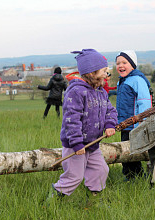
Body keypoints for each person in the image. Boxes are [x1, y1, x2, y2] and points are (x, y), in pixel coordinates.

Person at [50, 49, 118, 201]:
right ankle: (53, 200)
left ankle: (93, 201)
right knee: (74, 176)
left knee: (101, 170)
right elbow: (71, 120)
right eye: (104, 71)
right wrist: (76, 143)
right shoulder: (76, 92)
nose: (107, 75)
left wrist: (109, 124)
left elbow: (110, 111)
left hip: (93, 145)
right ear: (92, 73)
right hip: (76, 145)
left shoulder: (101, 92)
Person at [115, 50, 152, 181]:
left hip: (135, 124)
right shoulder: (122, 81)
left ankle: (134, 176)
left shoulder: (137, 80)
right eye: (118, 63)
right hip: (124, 123)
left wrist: (142, 122)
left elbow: (144, 102)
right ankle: (132, 175)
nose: (120, 65)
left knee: (131, 151)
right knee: (126, 149)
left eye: (124, 62)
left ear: (132, 65)